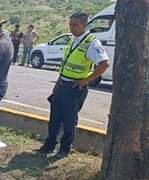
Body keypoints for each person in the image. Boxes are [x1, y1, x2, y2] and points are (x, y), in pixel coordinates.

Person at [36, 12, 110, 159]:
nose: (71, 27)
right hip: (62, 83)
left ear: (84, 24)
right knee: (55, 117)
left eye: (75, 25)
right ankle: (49, 144)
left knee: (69, 120)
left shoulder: (91, 42)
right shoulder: (73, 40)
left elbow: (104, 64)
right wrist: (57, 84)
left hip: (75, 88)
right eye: (70, 24)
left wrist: (85, 80)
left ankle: (65, 148)